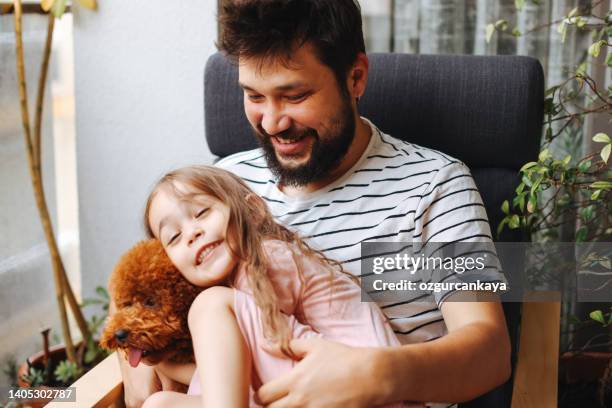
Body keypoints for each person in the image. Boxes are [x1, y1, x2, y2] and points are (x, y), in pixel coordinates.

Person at [119, 0, 511, 406]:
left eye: (294, 95)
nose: (271, 123)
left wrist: (375, 373)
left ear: (355, 77)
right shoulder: (222, 188)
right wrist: (134, 357)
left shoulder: (434, 187)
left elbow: (490, 353)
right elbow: (164, 296)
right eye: (254, 96)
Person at [140, 165, 415, 408]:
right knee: (159, 404)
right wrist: (165, 364)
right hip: (312, 383)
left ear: (253, 210)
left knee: (208, 304)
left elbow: (257, 363)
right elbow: (232, 376)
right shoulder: (237, 299)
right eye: (173, 237)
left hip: (361, 389)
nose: (191, 233)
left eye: (201, 212)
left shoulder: (267, 256)